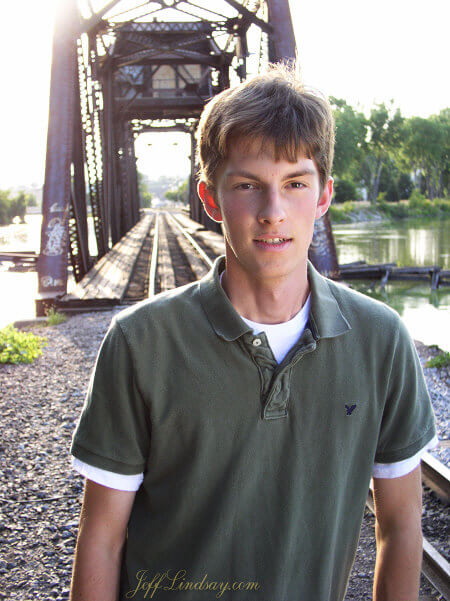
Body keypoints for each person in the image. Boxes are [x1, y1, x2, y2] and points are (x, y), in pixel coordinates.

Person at [69, 61, 438, 601]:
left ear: (323, 196)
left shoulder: (381, 340)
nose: (273, 211)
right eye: (248, 185)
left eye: (294, 184)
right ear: (211, 197)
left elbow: (402, 528)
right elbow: (100, 538)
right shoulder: (139, 343)